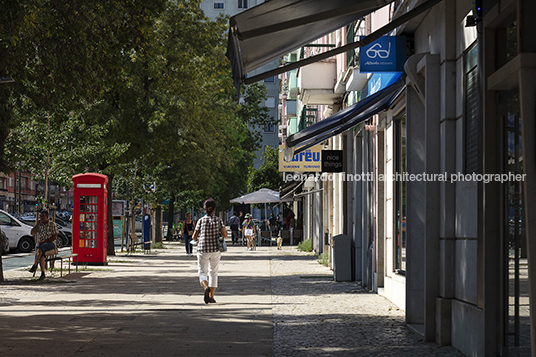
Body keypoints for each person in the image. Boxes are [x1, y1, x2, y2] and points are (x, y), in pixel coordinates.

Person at [192, 198, 227, 304]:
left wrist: (197, 239)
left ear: (204, 209)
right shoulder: (218, 220)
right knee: (213, 272)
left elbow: (194, 236)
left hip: (202, 249)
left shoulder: (201, 221)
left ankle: (205, 287)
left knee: (202, 272)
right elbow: (225, 234)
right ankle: (211, 296)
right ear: (214, 209)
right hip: (215, 250)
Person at [29, 210, 59, 279]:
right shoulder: (40, 225)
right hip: (40, 244)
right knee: (41, 255)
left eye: (43, 216)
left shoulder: (52, 224)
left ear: (47, 217)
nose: (41, 218)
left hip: (50, 244)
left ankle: (34, 265)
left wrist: (45, 241)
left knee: (40, 248)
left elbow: (54, 237)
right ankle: (43, 273)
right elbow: (32, 233)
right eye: (40, 216)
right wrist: (37, 225)